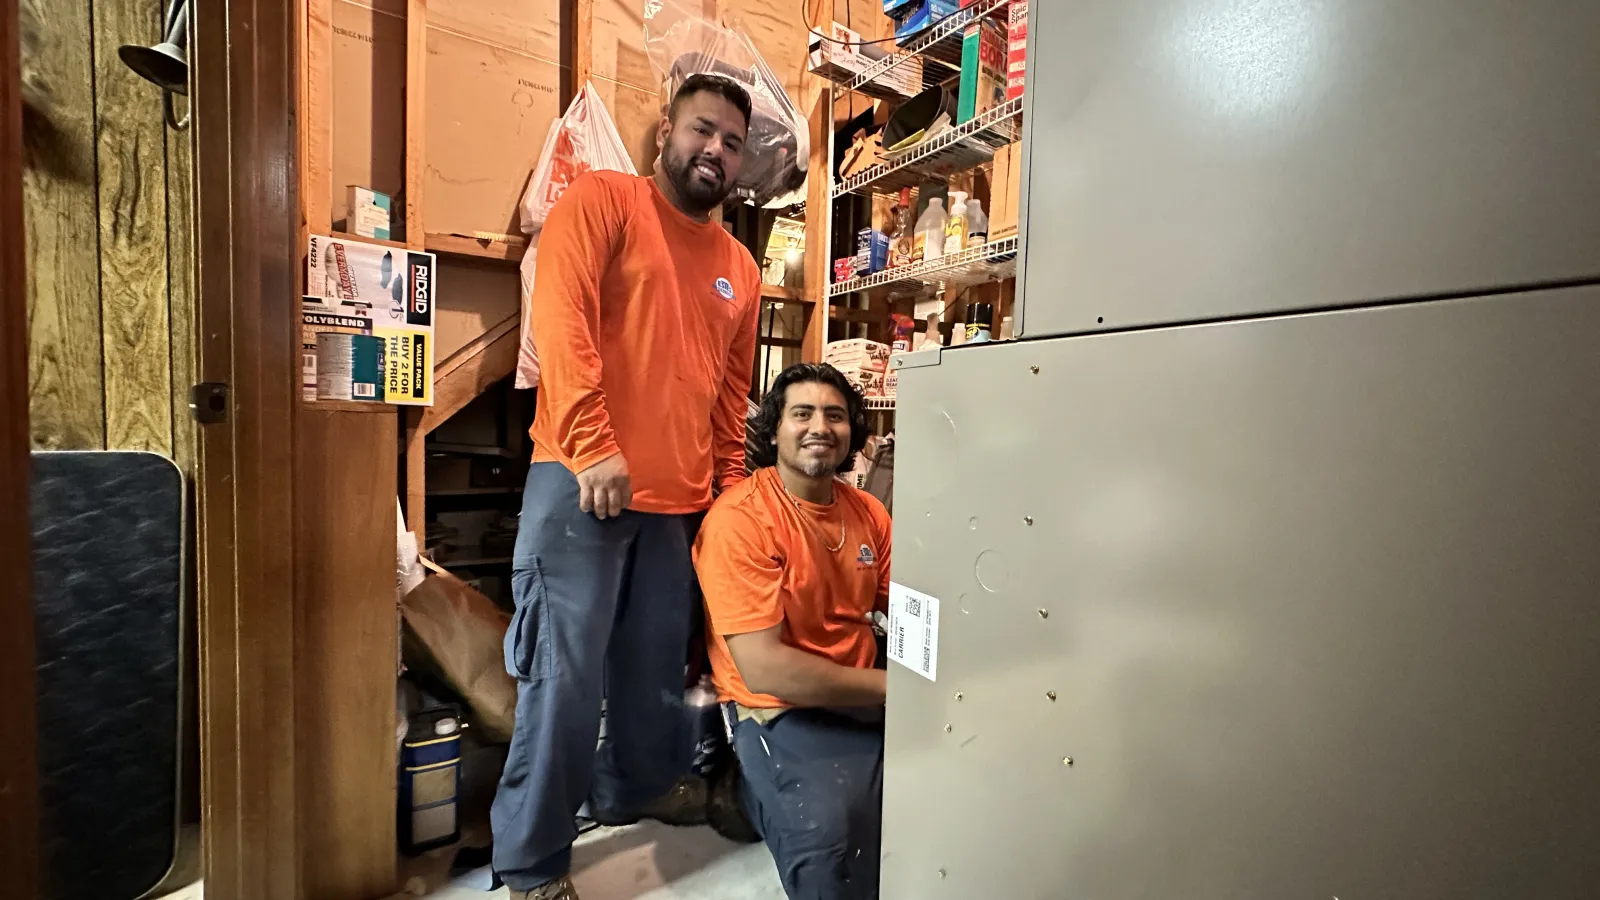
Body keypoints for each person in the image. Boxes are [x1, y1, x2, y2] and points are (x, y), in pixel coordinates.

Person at [492, 74, 763, 900]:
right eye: (701, 131)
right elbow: (561, 320)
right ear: (663, 137)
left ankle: (623, 795)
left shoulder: (741, 270)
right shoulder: (604, 202)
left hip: (676, 509)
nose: (714, 149)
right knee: (562, 682)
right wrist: (593, 446)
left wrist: (725, 495)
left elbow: (729, 394)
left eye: (731, 142)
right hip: (578, 485)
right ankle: (533, 863)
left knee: (655, 680)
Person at [694, 363, 892, 900]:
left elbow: (909, 600)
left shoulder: (868, 511)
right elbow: (767, 667)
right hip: (776, 707)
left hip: (858, 692)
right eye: (801, 413)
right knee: (831, 841)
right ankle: (751, 791)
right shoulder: (742, 520)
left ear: (852, 429)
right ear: (775, 430)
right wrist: (897, 691)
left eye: (835, 415)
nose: (819, 427)